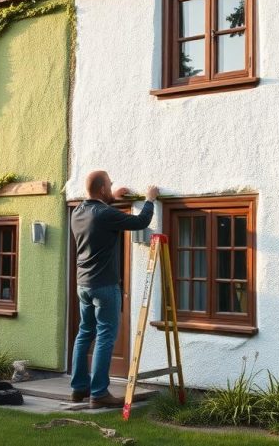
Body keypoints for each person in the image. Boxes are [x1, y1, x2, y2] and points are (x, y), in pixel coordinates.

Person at [69, 170, 158, 408]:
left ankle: (78, 389)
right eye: (109, 185)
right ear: (101, 190)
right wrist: (149, 199)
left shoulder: (77, 212)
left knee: (84, 333)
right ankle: (99, 394)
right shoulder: (105, 214)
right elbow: (140, 222)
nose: (112, 187)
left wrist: (113, 197)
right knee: (106, 335)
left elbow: (99, 210)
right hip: (105, 286)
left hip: (83, 285)